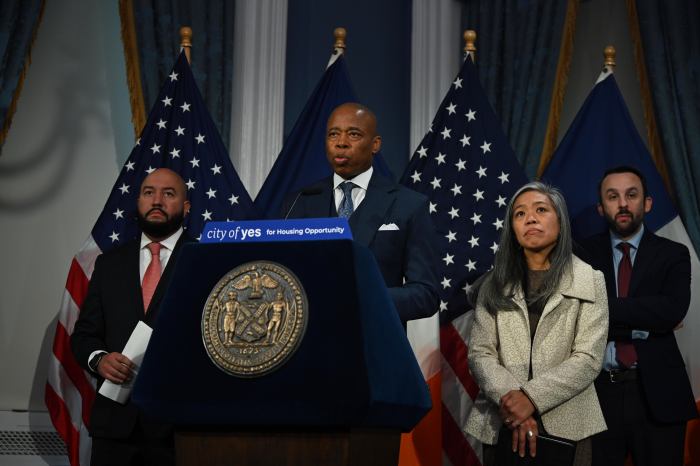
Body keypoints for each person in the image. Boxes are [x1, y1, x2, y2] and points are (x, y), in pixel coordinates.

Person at [464, 182, 608, 466]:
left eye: (541, 210)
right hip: (501, 422)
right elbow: (480, 354)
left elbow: (588, 359)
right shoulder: (493, 284)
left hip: (569, 425)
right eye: (519, 214)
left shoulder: (590, 279)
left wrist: (530, 398)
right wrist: (514, 403)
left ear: (561, 221)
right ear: (513, 230)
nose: (530, 218)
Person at [71, 168, 192, 466]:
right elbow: (84, 335)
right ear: (137, 201)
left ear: (186, 207)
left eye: (169, 193)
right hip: (114, 429)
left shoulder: (204, 259)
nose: (157, 200)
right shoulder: (109, 264)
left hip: (178, 428)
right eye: (149, 192)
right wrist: (99, 359)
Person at [579, 166, 698, 466]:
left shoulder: (674, 253)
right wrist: (648, 321)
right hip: (597, 395)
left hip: (659, 394)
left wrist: (604, 309)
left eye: (631, 195)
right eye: (613, 196)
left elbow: (672, 310)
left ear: (647, 203)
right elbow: (577, 318)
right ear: (600, 207)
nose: (622, 204)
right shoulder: (581, 255)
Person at [282, 102, 438, 323]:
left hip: (372, 344)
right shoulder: (298, 202)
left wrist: (364, 298)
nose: (341, 143)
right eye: (333, 135)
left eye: (353, 135)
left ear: (375, 144)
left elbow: (426, 294)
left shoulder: (408, 205)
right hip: (309, 340)